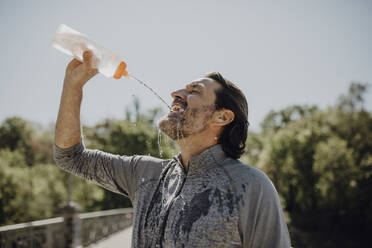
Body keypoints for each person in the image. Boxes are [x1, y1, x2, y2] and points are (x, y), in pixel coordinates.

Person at [54, 50, 291, 247]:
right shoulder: (145, 174)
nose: (176, 94)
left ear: (222, 116)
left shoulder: (250, 185)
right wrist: (73, 86)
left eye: (194, 91)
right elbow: (70, 157)